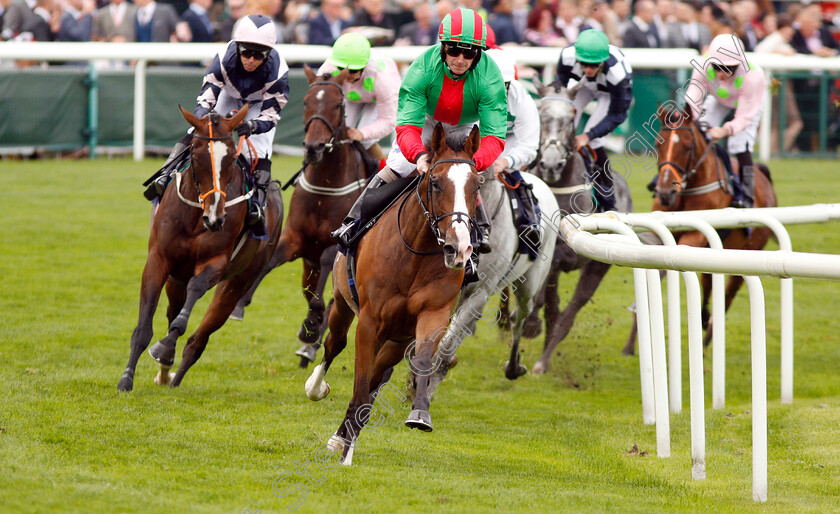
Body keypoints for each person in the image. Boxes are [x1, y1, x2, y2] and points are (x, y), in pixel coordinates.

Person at [331, 7, 508, 254]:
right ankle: (353, 221)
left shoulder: (490, 77)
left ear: (478, 54)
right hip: (427, 120)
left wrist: (473, 162)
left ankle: (481, 226)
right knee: (399, 165)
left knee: (464, 174)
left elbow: (495, 136)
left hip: (466, 125)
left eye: (469, 53)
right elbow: (406, 127)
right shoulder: (422, 68)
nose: (460, 59)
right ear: (443, 47)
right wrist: (418, 156)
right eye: (454, 50)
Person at [144, 14, 290, 237]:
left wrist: (252, 126)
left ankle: (257, 207)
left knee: (259, 151)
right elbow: (206, 98)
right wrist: (204, 119)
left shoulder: (278, 72)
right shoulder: (223, 58)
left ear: (269, 54)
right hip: (227, 96)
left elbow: (270, 116)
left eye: (259, 55)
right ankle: (165, 174)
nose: (251, 60)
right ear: (237, 47)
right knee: (196, 132)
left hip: (259, 106)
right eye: (246, 53)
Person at [680, 33, 765, 207]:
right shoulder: (703, 64)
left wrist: (725, 130)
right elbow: (694, 97)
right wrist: (686, 119)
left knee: (739, 143)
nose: (720, 73)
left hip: (747, 104)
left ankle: (747, 197)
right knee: (698, 131)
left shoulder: (753, 77)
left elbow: (743, 118)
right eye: (716, 67)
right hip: (719, 99)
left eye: (727, 68)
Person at [555, 28, 632, 211]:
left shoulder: (618, 73)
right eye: (584, 64)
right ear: (577, 58)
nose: (588, 69)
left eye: (594, 65)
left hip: (607, 93)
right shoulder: (566, 56)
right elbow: (560, 88)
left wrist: (587, 136)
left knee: (595, 140)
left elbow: (618, 114)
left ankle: (608, 200)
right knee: (560, 128)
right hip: (582, 87)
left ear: (603, 61)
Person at [316, 32, 400, 164]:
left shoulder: (383, 79)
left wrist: (362, 133)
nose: (346, 75)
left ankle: (385, 174)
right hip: (351, 97)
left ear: (364, 66)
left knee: (366, 140)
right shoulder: (328, 68)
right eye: (341, 68)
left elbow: (389, 120)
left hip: (377, 97)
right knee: (341, 133)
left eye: (353, 70)